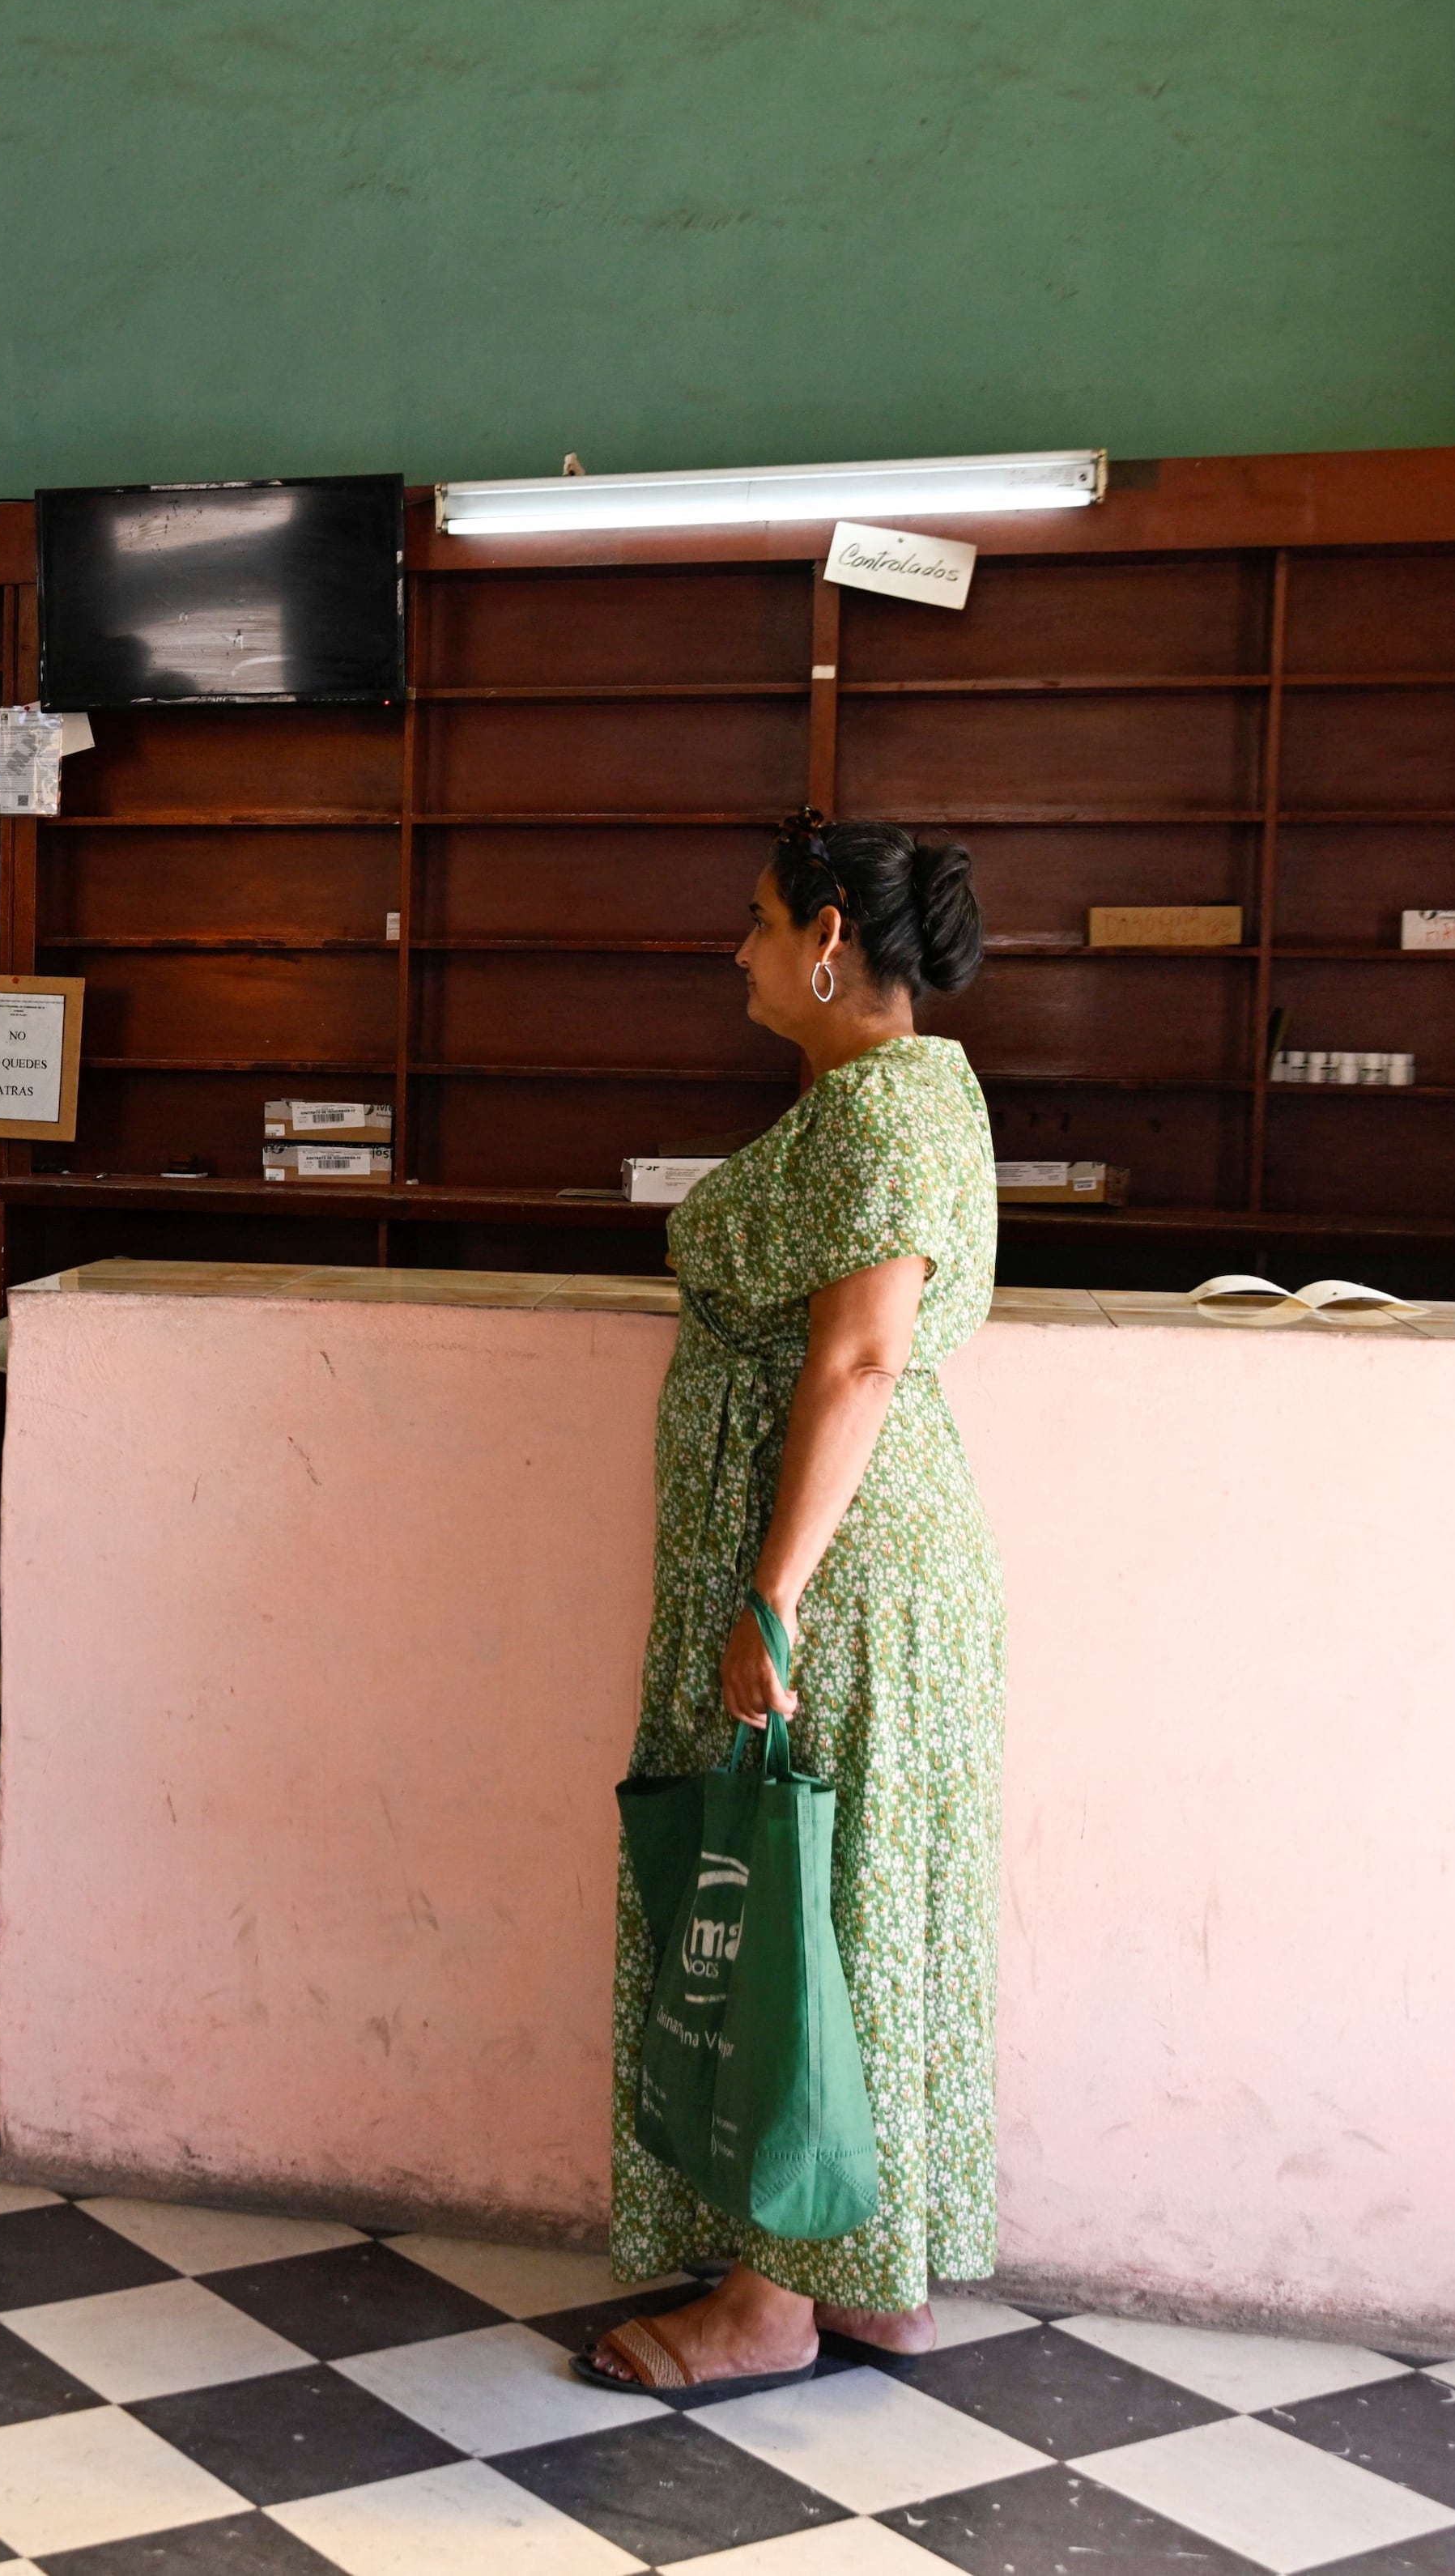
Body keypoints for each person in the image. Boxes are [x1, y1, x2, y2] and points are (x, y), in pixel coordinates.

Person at [586, 811, 1004, 2389]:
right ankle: (865, 2261)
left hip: (835, 1581)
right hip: (869, 1571)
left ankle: (766, 2303)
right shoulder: (893, 1098)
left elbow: (858, 1356)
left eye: (757, 918)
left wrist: (768, 1598)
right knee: (857, 1911)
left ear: (829, 933)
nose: (738, 946)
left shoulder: (883, 1113)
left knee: (791, 1912)